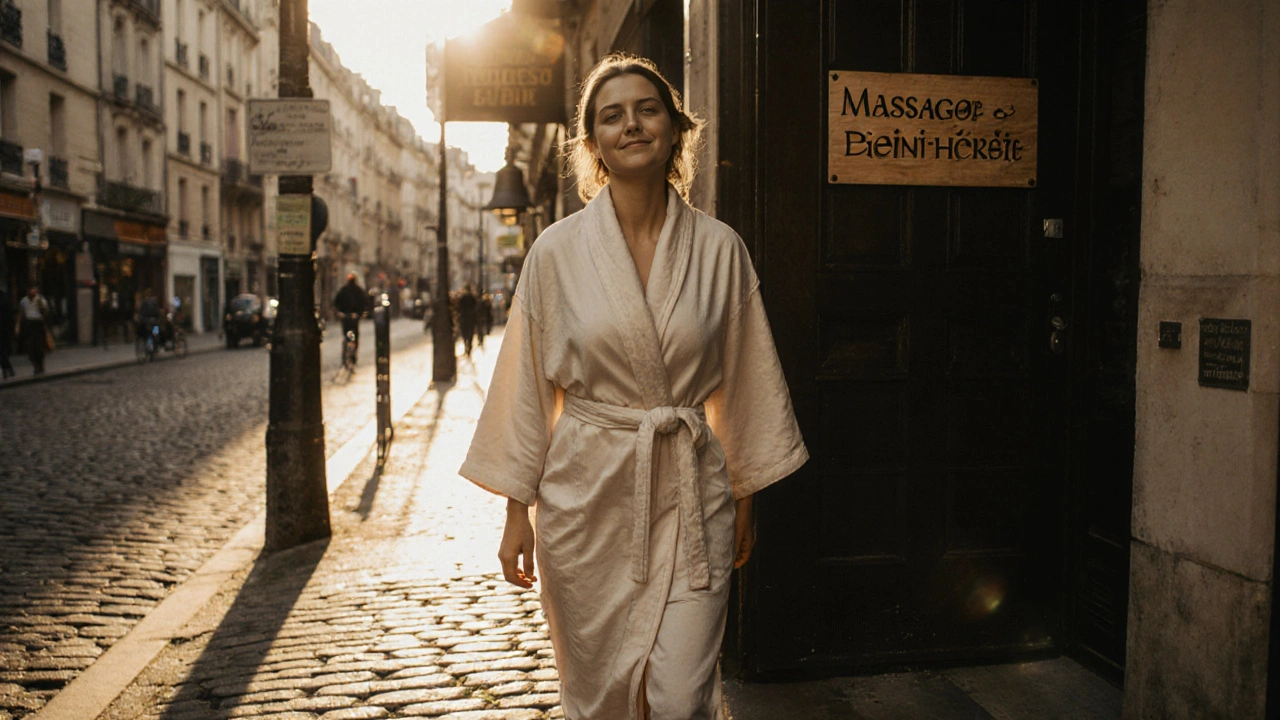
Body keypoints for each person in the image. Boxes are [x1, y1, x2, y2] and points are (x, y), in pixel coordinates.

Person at [460, 54, 808, 720]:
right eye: (611, 116)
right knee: (601, 699)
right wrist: (514, 510)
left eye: (647, 110)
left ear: (675, 129)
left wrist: (744, 495)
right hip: (585, 502)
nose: (632, 125)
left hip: (689, 493)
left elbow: (747, 376)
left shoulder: (719, 249)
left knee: (680, 695)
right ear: (591, 144)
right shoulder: (556, 254)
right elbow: (526, 384)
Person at [333, 273, 369, 360]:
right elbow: (365, 303)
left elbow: (364, 303)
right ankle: (350, 351)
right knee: (351, 335)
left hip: (350, 316)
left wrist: (340, 313)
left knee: (352, 334)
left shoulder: (349, 290)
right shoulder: (352, 290)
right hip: (349, 316)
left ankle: (352, 352)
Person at [17, 286, 50, 375]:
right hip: (29, 324)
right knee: (31, 347)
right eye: (32, 289)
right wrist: (18, 326)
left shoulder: (40, 299)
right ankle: (35, 366)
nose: (34, 291)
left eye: (35, 290)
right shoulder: (23, 301)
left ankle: (40, 365)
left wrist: (42, 307)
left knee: (39, 347)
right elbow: (21, 313)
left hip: (38, 323)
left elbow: (46, 312)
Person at [0, 287, 14, 378]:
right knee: (3, 350)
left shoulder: (3, 302)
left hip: (2, 328)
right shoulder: (6, 300)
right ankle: (8, 369)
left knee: (1, 350)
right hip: (6, 329)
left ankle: (7, 369)